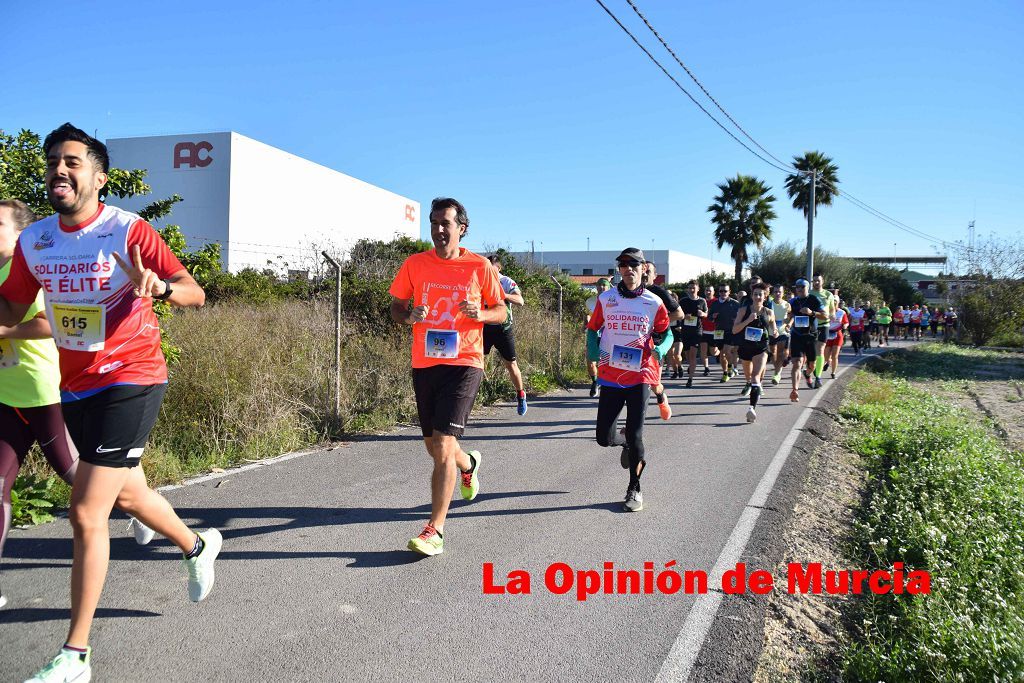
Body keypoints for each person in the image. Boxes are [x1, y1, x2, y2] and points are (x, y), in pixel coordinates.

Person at [1, 124, 218, 683]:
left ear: (98, 176)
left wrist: (162, 288)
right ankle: (196, 545)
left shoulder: (129, 230)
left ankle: (75, 655)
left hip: (133, 377)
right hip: (74, 386)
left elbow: (195, 291)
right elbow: (11, 309)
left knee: (86, 510)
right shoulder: (36, 241)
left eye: (72, 162)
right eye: (52, 162)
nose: (59, 170)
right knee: (130, 492)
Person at [389, 197, 505, 557]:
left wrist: (481, 313)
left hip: (466, 361)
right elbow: (396, 306)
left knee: (441, 447)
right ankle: (468, 464)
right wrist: (409, 317)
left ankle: (434, 530)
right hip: (425, 362)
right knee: (435, 447)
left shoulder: (479, 266)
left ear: (462, 228)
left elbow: (501, 310)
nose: (439, 230)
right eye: (434, 223)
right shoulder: (415, 264)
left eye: (446, 224)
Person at [587, 248, 671, 512]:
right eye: (623, 265)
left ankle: (635, 487)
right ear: (619, 270)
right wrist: (591, 353)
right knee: (603, 437)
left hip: (641, 374)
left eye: (633, 265)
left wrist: (662, 349)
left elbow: (667, 334)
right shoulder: (607, 298)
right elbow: (592, 329)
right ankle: (622, 441)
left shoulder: (653, 302)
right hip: (611, 375)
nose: (628, 269)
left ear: (643, 268)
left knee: (636, 435)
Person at [484, 255, 527, 415]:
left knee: (510, 365)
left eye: (491, 268)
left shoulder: (506, 282)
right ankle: (474, 396)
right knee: (474, 363)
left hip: (503, 328)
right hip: (485, 327)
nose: (487, 270)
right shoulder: (481, 280)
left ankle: (520, 395)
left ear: (498, 268)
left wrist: (503, 295)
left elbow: (520, 300)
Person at [641, 260, 681, 420]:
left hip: (655, 345)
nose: (644, 274)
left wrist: (657, 323)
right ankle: (634, 424)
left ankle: (661, 397)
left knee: (653, 384)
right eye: (642, 270)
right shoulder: (629, 291)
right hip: (633, 344)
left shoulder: (659, 293)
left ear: (655, 276)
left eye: (648, 271)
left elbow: (679, 314)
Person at [732, 283, 777, 422]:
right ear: (752, 296)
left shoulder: (769, 312)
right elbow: (735, 330)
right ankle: (752, 389)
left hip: (761, 348)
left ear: (765, 296)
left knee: (755, 377)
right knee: (749, 378)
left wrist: (775, 332)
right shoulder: (743, 310)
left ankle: (751, 408)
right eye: (755, 294)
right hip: (745, 347)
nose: (758, 296)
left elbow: (773, 329)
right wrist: (748, 320)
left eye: (760, 294)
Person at [786, 279, 827, 402]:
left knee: (812, 365)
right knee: (796, 363)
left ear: (807, 288)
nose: (799, 289)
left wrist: (811, 312)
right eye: (797, 287)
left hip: (811, 336)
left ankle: (808, 374)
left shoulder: (814, 300)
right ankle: (795, 390)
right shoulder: (792, 301)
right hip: (797, 335)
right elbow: (788, 314)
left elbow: (825, 315)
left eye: (802, 287)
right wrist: (788, 319)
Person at [676, 280, 708, 388]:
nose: (692, 290)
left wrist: (702, 314)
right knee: (688, 356)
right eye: (690, 288)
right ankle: (691, 366)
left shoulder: (702, 301)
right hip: (685, 331)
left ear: (698, 289)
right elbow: (677, 314)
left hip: (697, 331)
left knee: (693, 355)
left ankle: (690, 379)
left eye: (694, 288)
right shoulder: (683, 301)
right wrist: (685, 316)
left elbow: (706, 314)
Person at [809, 274, 837, 388]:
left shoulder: (828, 294)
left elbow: (832, 309)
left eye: (818, 281)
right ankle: (813, 368)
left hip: (824, 325)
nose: (816, 283)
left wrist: (832, 315)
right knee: (811, 351)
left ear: (822, 281)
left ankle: (818, 377)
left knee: (820, 349)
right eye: (814, 281)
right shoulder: (809, 294)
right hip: (811, 325)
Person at [584, 278, 611, 397]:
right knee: (590, 361)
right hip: (594, 332)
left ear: (608, 287)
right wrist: (585, 324)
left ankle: (609, 383)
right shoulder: (590, 301)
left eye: (604, 285)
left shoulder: (615, 300)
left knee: (608, 361)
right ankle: (595, 382)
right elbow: (587, 316)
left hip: (609, 333)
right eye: (599, 285)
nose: (601, 287)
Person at [709, 284, 740, 383]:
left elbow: (741, 316)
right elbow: (709, 318)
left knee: (727, 351)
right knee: (721, 354)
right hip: (718, 331)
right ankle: (725, 373)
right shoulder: (715, 304)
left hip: (731, 331)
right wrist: (712, 316)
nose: (723, 293)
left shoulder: (735, 304)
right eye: (721, 291)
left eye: (725, 291)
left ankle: (731, 368)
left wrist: (737, 321)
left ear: (729, 292)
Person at [769, 284, 791, 384]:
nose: (778, 294)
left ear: (783, 293)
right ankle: (777, 369)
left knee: (781, 353)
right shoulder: (768, 304)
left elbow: (791, 316)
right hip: (770, 331)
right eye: (776, 292)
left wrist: (788, 324)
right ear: (773, 293)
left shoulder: (787, 304)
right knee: (773, 352)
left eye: (780, 292)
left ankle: (777, 374)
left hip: (782, 331)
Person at [824, 304, 849, 378]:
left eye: (835, 302)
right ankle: (828, 361)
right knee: (826, 356)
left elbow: (846, 322)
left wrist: (845, 325)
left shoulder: (842, 312)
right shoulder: (826, 311)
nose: (833, 304)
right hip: (828, 334)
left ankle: (833, 372)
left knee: (835, 355)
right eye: (832, 302)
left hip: (838, 334)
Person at [699, 285, 718, 376]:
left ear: (713, 292)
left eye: (710, 290)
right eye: (707, 290)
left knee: (713, 352)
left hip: (714, 330)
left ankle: (720, 353)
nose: (708, 292)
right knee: (703, 351)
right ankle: (706, 368)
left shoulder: (717, 302)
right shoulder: (702, 301)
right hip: (703, 330)